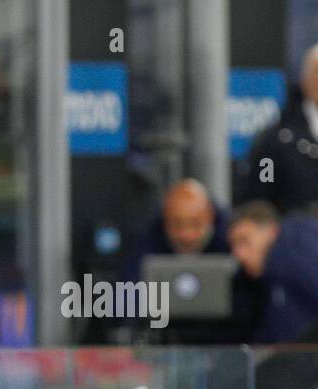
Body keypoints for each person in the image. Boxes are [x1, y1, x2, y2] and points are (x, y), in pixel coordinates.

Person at [122, 179, 264, 342]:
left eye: (195, 224)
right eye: (177, 224)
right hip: (164, 342)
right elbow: (127, 298)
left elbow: (253, 299)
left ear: (210, 216)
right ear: (165, 220)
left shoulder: (233, 238)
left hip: (226, 341)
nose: (186, 234)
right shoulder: (146, 240)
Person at [238, 44, 318, 215]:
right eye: (317, 72)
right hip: (295, 233)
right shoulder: (273, 143)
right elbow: (260, 197)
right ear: (304, 80)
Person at [227, 200, 318, 343]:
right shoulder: (268, 282)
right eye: (233, 245)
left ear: (272, 231)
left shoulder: (297, 255)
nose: (238, 254)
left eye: (244, 241)